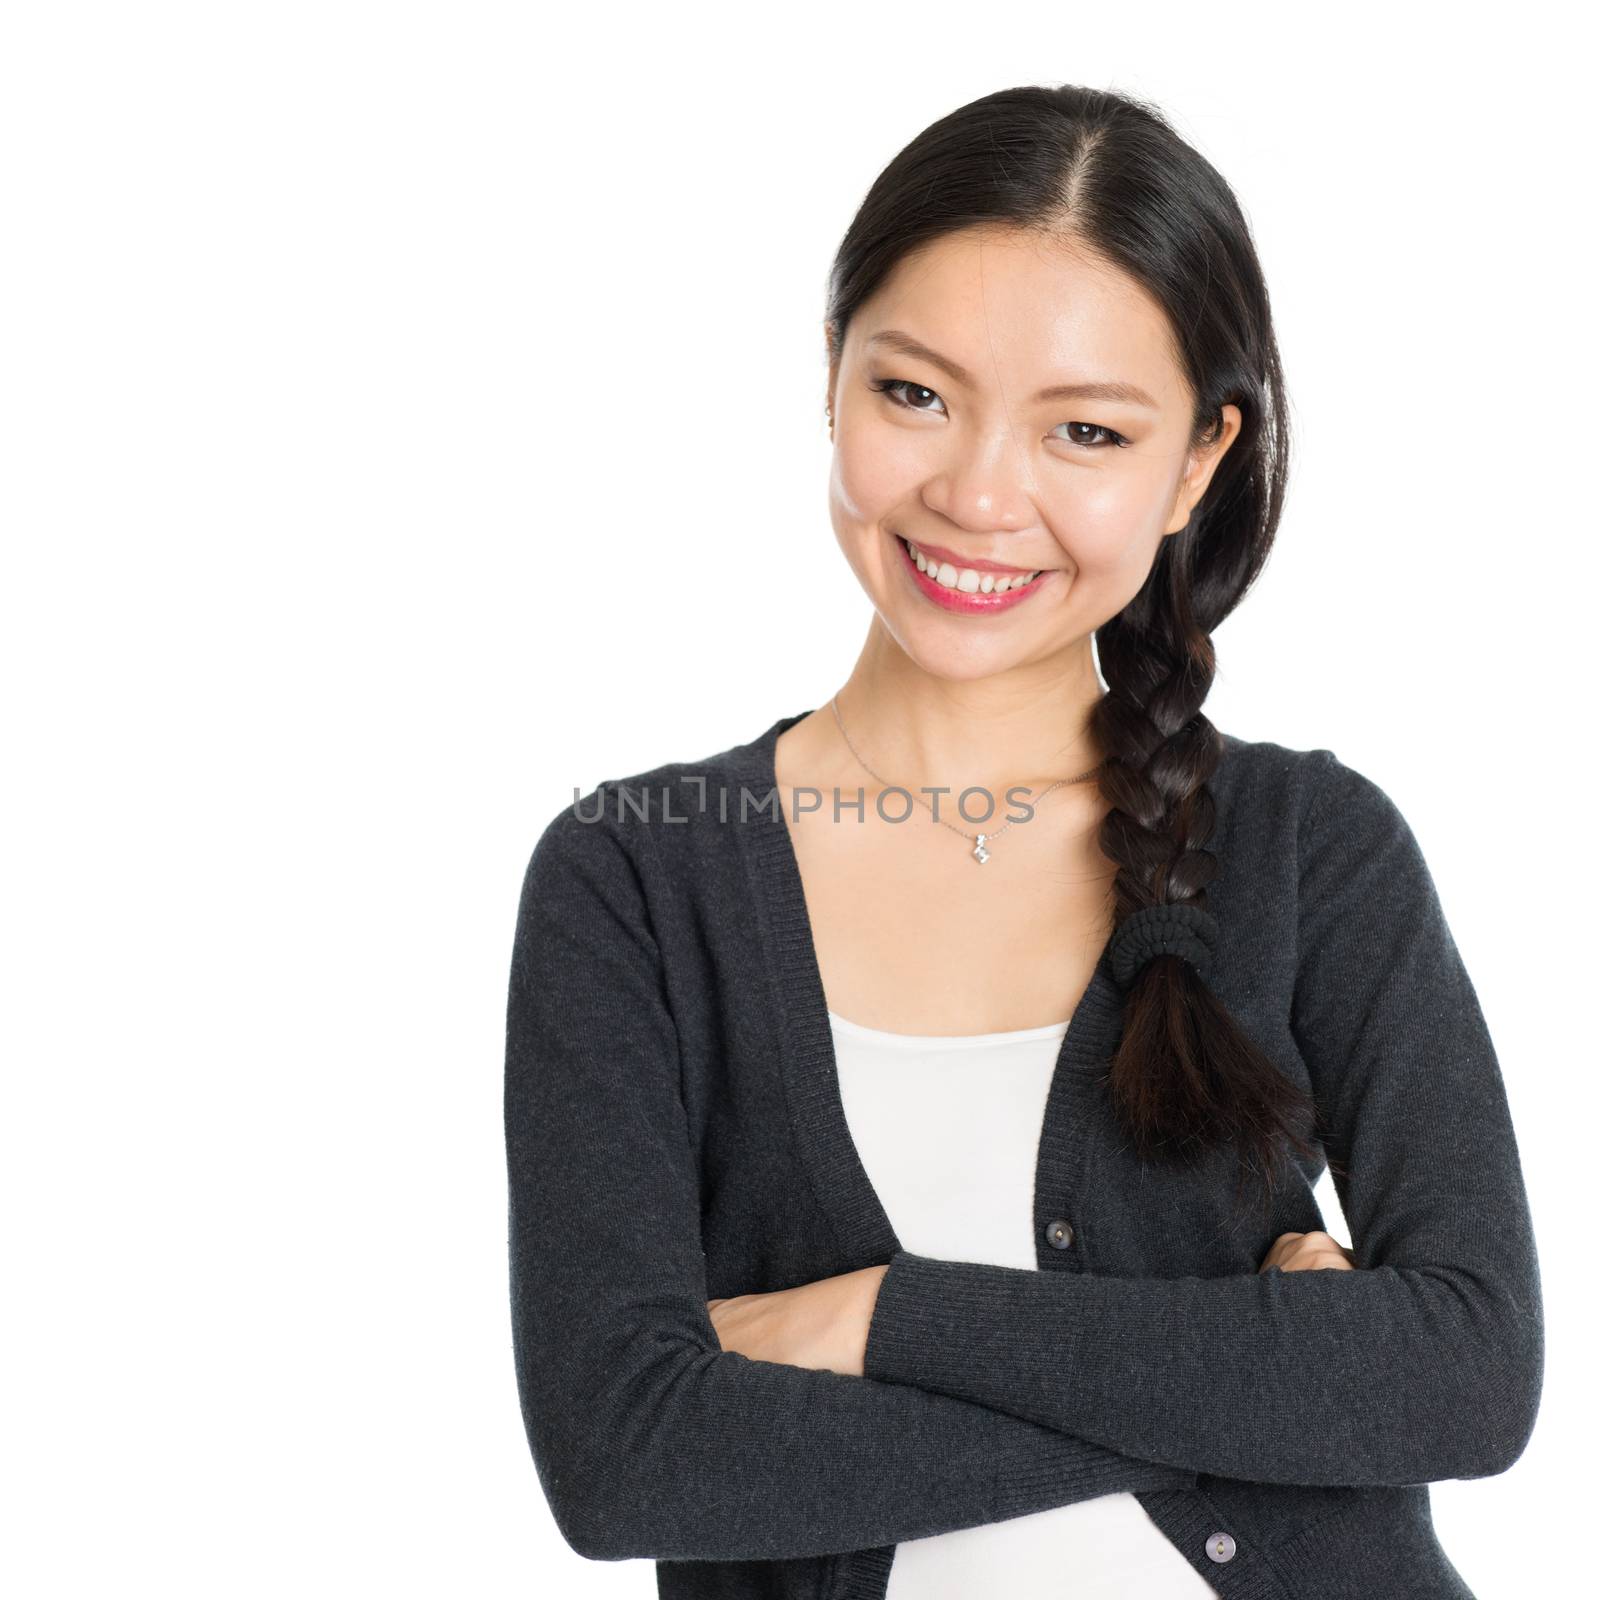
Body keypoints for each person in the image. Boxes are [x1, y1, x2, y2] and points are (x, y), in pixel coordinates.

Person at [503, 83, 1543, 1598]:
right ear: (834, 375)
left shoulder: (1315, 850)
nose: (979, 495)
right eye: (914, 394)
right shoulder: (639, 879)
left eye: (1088, 431)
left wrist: (882, 1321)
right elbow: (628, 1459)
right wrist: (1266, 1385)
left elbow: (1467, 1375)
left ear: (1196, 461)